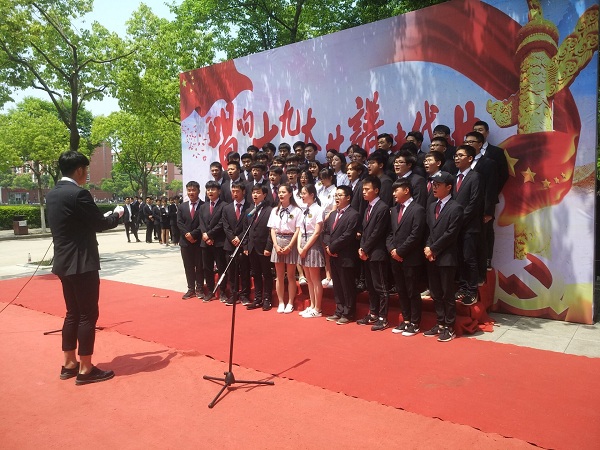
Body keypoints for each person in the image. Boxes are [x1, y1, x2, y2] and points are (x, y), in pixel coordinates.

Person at [46, 150, 122, 385]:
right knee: (88, 314)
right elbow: (100, 223)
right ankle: (86, 368)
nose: (86, 174)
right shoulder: (79, 194)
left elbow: (74, 223)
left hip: (63, 262)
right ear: (79, 170)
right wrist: (117, 215)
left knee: (72, 313)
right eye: (86, 170)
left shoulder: (53, 194)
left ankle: (69, 363)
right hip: (82, 263)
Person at [423, 172, 464, 342]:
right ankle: (440, 323)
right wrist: (428, 247)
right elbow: (430, 231)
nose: (434, 187)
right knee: (435, 292)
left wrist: (434, 249)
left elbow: (451, 233)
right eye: (433, 184)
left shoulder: (456, 207)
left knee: (447, 293)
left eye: (438, 185)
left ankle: (449, 326)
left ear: (448, 187)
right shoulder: (432, 206)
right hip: (431, 256)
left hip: (446, 256)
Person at [386, 179, 427, 336]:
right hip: (395, 258)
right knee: (401, 291)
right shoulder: (394, 210)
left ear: (406, 190)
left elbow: (416, 235)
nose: (393, 194)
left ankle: (415, 323)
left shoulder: (418, 209)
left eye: (396, 190)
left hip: (410, 258)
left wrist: (400, 252)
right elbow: (390, 233)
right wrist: (392, 250)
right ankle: (407, 320)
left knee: (412, 291)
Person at [356, 175, 391, 331]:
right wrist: (361, 248)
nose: (363, 192)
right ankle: (373, 313)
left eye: (367, 189)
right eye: (363, 189)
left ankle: (383, 318)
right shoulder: (367, 207)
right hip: (367, 253)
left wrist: (365, 248)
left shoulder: (382, 208)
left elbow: (378, 232)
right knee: (370, 286)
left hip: (377, 252)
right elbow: (365, 231)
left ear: (376, 190)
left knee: (381, 287)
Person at [323, 185, 361, 324]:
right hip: (333, 255)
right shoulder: (333, 214)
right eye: (336, 195)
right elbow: (326, 232)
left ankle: (348, 313)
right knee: (338, 285)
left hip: (346, 256)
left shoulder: (354, 214)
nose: (337, 198)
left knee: (347, 286)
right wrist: (328, 247)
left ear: (348, 197)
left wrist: (333, 248)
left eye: (340, 195)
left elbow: (348, 235)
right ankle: (339, 310)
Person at [452, 144, 483, 306]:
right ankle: (463, 287)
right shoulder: (453, 177)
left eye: (460, 155)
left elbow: (474, 202)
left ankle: (472, 290)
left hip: (469, 226)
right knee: (459, 258)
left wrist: (460, 220)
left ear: (470, 158)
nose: (457, 158)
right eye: (456, 155)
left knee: (469, 258)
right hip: (455, 226)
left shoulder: (475, 176)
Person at [268, 184, 302, 313]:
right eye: (279, 192)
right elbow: (272, 229)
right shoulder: (274, 210)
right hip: (278, 241)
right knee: (279, 275)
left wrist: (290, 246)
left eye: (283, 192)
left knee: (291, 275)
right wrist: (276, 245)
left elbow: (298, 229)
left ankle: (290, 302)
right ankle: (281, 301)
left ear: (290, 194)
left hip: (290, 240)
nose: (281, 194)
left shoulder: (296, 210)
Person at [297, 184, 325, 318]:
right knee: (308, 278)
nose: (302, 196)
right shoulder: (304, 210)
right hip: (302, 242)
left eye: (304, 193)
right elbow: (299, 230)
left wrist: (305, 248)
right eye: (301, 193)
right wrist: (299, 247)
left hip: (312, 244)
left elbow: (317, 232)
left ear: (312, 194)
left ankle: (318, 308)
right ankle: (312, 305)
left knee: (315, 278)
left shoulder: (318, 209)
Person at [244, 185, 274, 311]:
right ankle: (257, 298)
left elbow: (271, 231)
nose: (255, 195)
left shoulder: (270, 210)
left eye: (258, 192)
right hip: (252, 248)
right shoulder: (249, 210)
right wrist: (246, 246)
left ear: (264, 194)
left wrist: (268, 247)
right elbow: (246, 230)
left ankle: (267, 299)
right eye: (253, 193)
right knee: (255, 274)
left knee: (266, 274)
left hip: (264, 248)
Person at [222, 181, 252, 306]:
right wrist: (232, 238)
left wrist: (239, 238)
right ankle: (233, 294)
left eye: (237, 191)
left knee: (245, 270)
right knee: (231, 271)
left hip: (244, 243)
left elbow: (249, 226)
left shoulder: (250, 208)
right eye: (233, 191)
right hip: (230, 244)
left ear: (243, 192)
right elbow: (225, 226)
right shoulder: (227, 208)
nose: (235, 193)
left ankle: (244, 295)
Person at [199, 180, 228, 302]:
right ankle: (210, 291)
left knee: (221, 267)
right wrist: (205, 235)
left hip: (219, 242)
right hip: (205, 243)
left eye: (213, 189)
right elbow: (201, 223)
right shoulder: (203, 207)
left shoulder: (224, 206)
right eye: (208, 189)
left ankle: (222, 291)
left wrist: (210, 235)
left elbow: (222, 223)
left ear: (219, 191)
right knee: (207, 268)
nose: (210, 192)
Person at [177, 181, 205, 299]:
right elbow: (179, 223)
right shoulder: (182, 206)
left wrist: (193, 234)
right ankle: (190, 289)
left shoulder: (204, 206)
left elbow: (203, 224)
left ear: (198, 191)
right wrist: (187, 235)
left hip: (198, 241)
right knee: (188, 266)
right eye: (189, 190)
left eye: (193, 190)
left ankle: (200, 288)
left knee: (200, 266)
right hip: (185, 242)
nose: (191, 192)